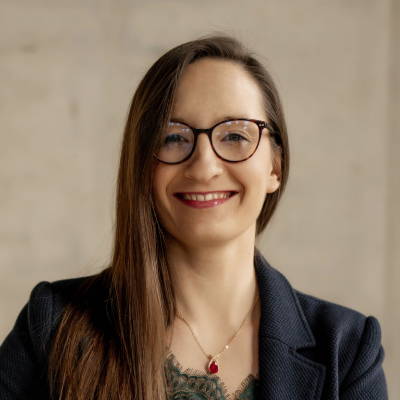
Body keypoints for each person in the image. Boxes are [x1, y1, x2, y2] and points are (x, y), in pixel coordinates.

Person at [0, 34, 388, 400]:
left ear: (275, 167)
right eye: (173, 137)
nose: (204, 167)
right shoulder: (51, 325)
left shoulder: (348, 350)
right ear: (142, 165)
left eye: (235, 136)